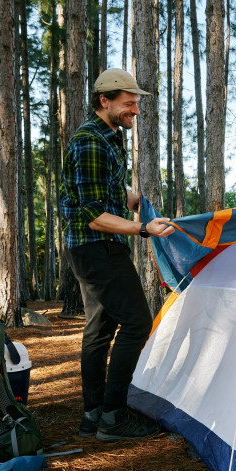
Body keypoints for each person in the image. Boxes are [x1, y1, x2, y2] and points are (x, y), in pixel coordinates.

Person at [59, 68, 176, 442]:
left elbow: (103, 190)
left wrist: (135, 200)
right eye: (128, 104)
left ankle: (93, 415)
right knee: (137, 324)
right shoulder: (90, 143)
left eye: (136, 104)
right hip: (98, 247)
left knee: (99, 330)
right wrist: (143, 228)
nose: (135, 111)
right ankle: (114, 417)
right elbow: (94, 216)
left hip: (93, 248)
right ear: (104, 101)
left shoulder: (108, 139)